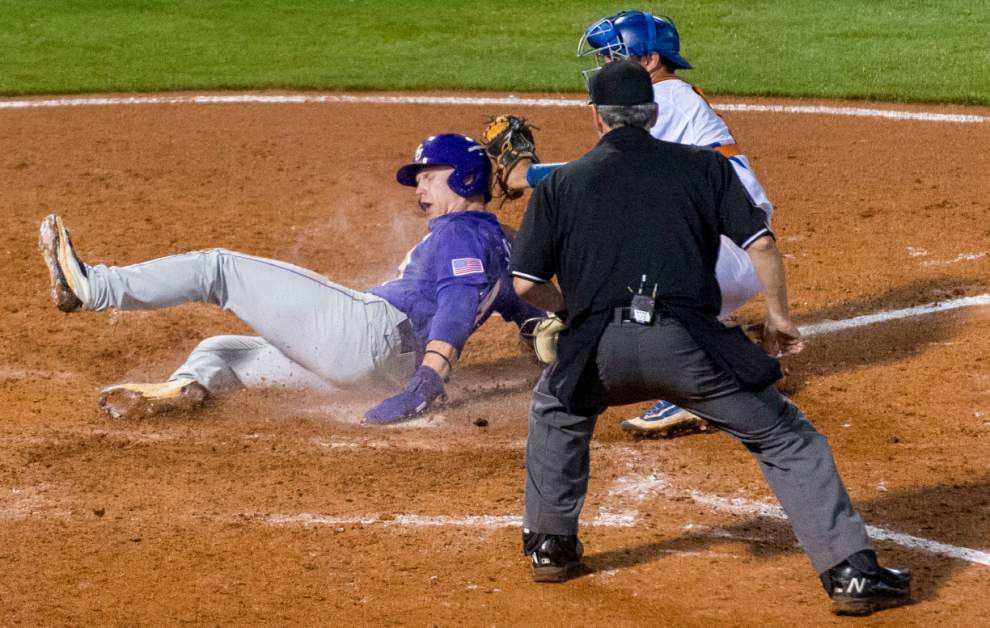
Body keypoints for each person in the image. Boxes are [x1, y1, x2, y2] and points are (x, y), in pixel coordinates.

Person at [509, 60, 910, 616]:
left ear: (597, 117)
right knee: (787, 438)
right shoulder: (702, 168)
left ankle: (551, 545)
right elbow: (761, 244)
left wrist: (571, 312)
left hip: (598, 350)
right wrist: (778, 317)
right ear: (650, 113)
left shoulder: (562, 183)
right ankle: (851, 573)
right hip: (686, 347)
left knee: (556, 406)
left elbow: (526, 284)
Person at [38, 133, 549, 424]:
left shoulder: (460, 232)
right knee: (222, 351)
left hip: (367, 335)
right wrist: (543, 333)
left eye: (429, 176)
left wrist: (428, 383)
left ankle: (91, 288)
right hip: (374, 369)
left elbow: (460, 304)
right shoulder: (502, 240)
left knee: (219, 267)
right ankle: (184, 390)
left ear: (464, 179)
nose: (418, 188)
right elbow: (519, 301)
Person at [488, 10, 774, 438]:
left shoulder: (670, 96)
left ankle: (708, 378)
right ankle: (717, 337)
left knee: (628, 280)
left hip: (731, 250)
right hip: (725, 243)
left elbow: (606, 170)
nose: (605, 66)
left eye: (613, 56)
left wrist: (524, 174)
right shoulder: (663, 99)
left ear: (651, 60)